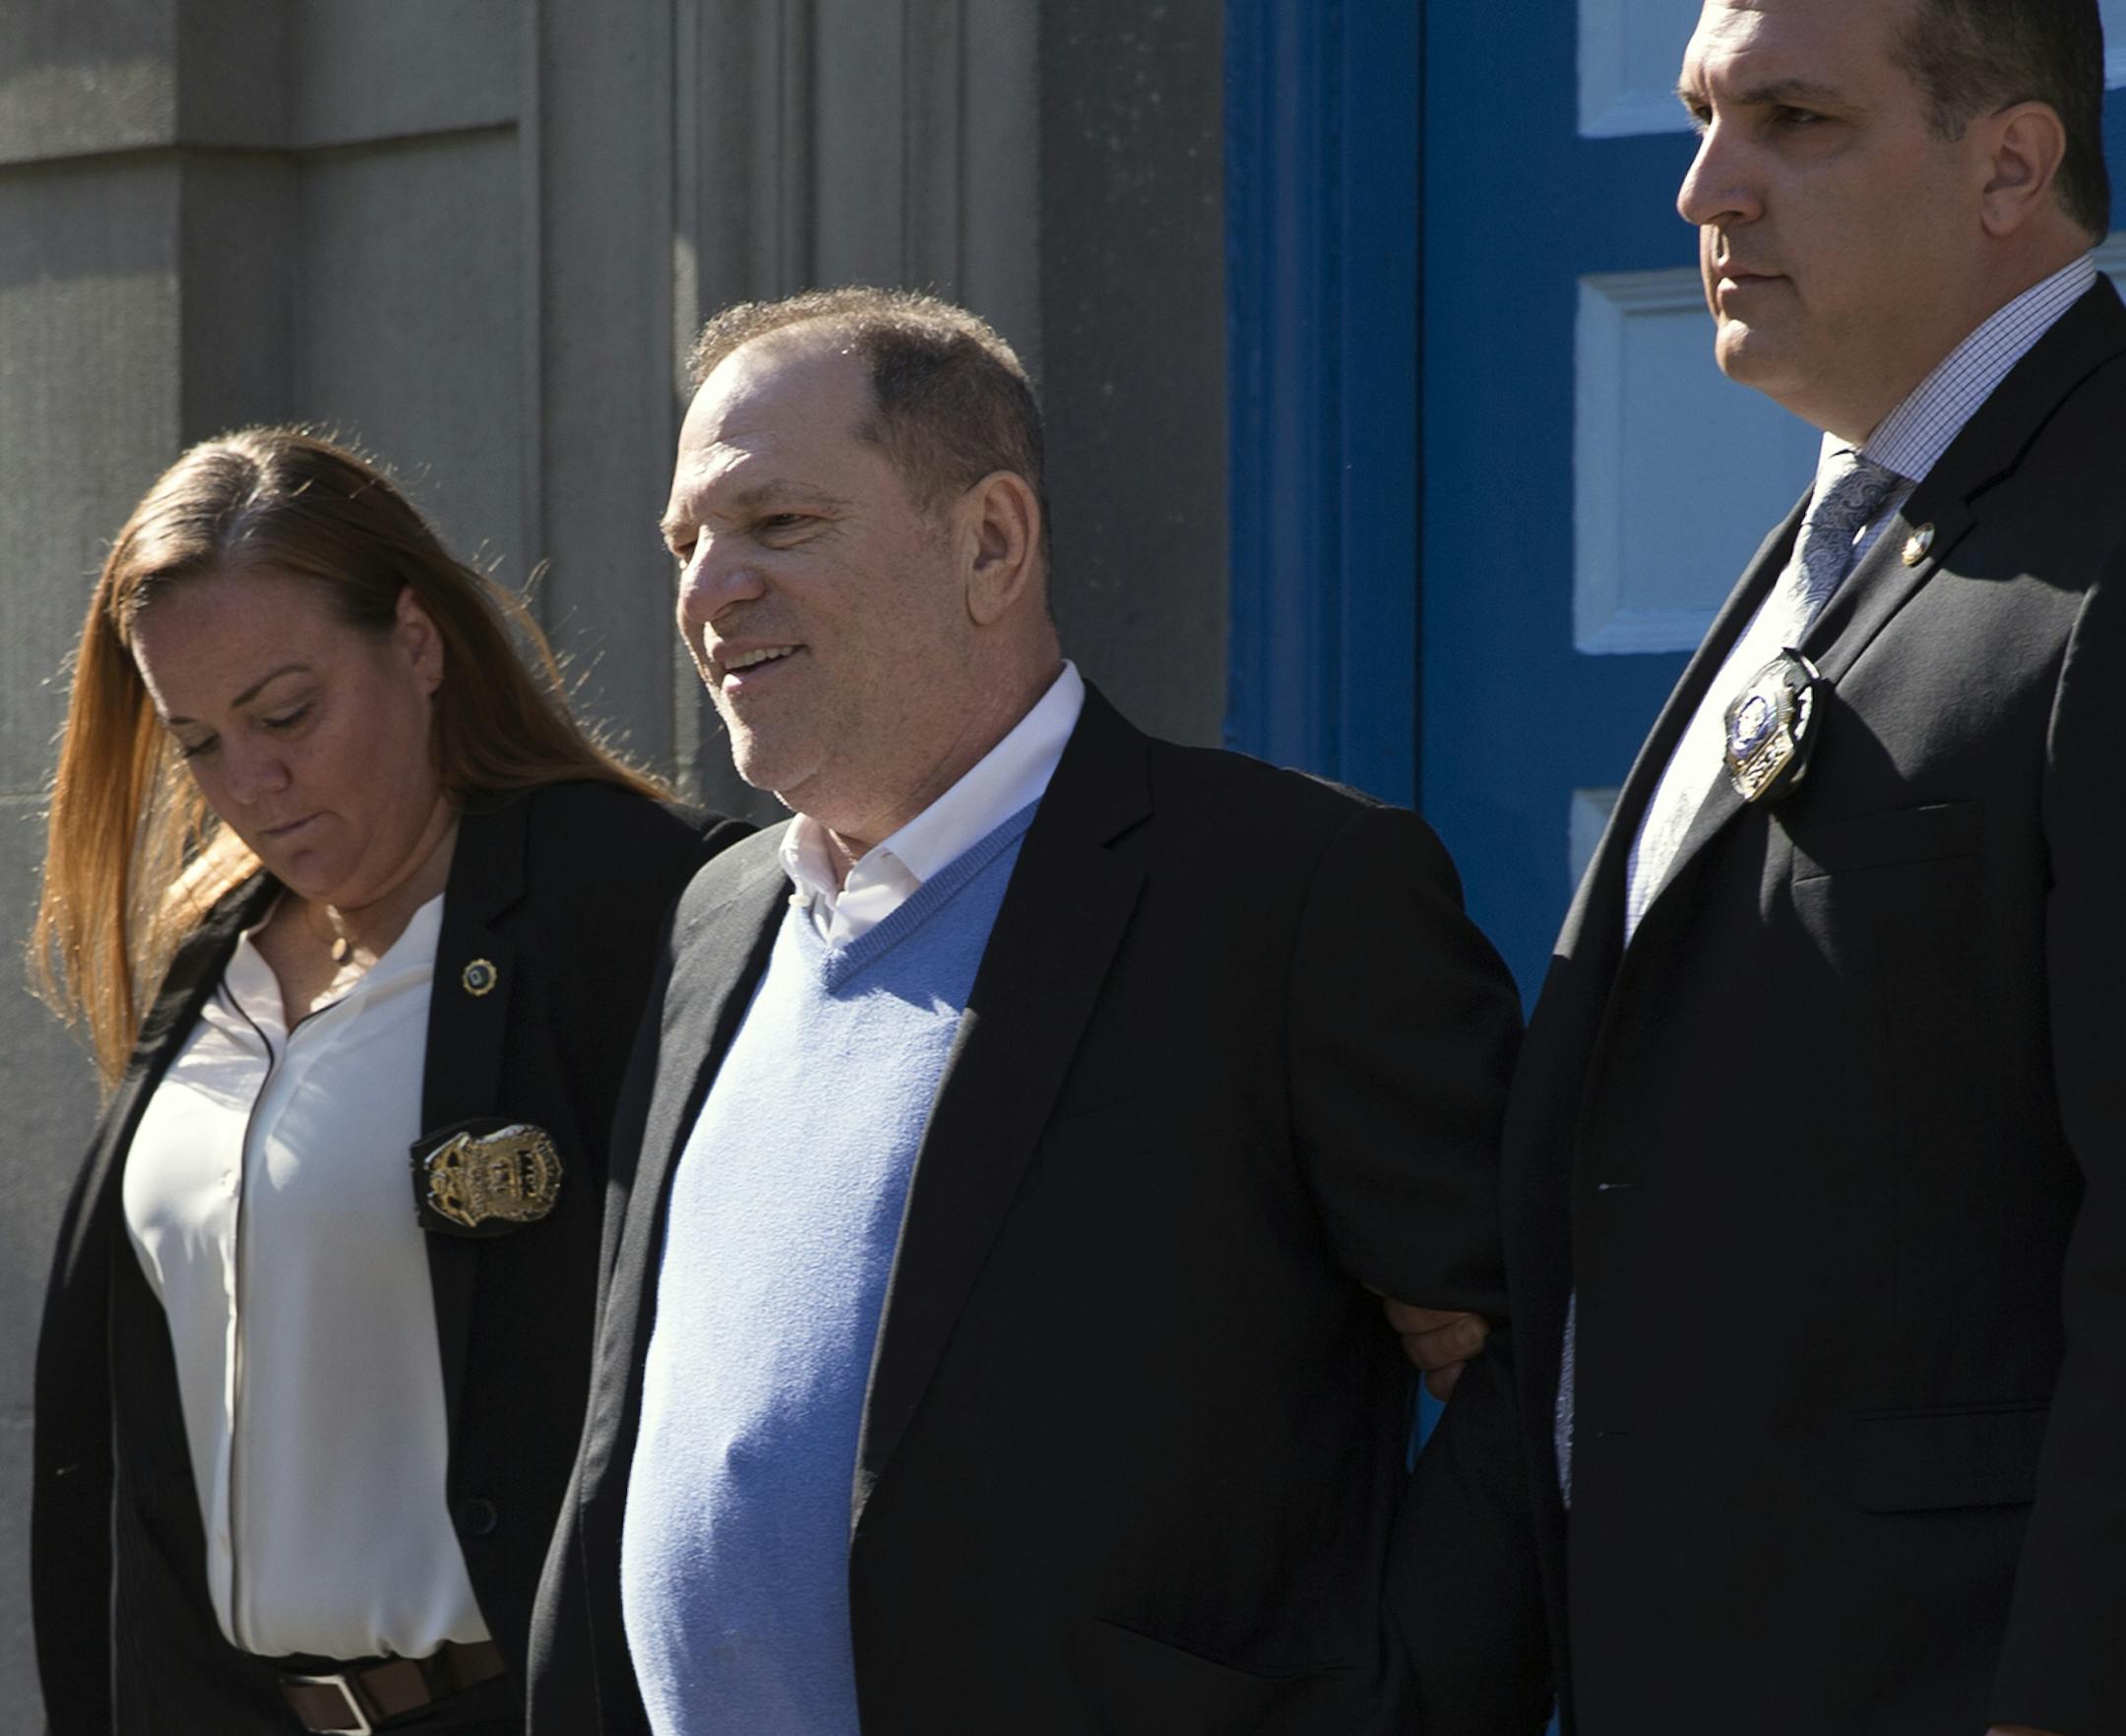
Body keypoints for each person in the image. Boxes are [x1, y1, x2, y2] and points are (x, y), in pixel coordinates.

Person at [523, 286, 1523, 1734]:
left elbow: (1534, 1368)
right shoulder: (717, 914)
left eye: (779, 525)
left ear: (991, 541)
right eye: (687, 543)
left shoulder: (1285, 896)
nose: (708, 589)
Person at [1397, 1, 2126, 1732]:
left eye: (1794, 120)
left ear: (2010, 163)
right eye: (1703, 116)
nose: (1703, 190)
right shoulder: (1847, 539)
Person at [29, 428, 749, 1735]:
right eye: (195, 743)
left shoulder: (638, 905)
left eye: (287, 712)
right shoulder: (211, 956)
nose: (252, 784)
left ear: (417, 644)